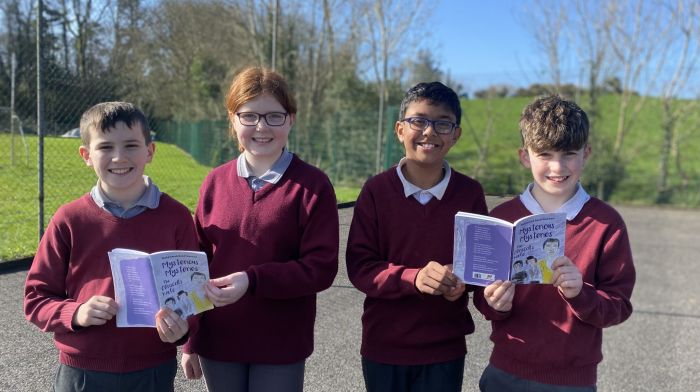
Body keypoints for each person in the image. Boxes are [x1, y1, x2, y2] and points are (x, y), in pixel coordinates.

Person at [180, 67, 339, 392]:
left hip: (280, 344)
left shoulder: (312, 186)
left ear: (291, 119)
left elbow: (320, 269)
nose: (262, 127)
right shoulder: (214, 182)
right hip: (218, 340)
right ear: (232, 120)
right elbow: (194, 265)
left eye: (274, 117)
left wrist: (252, 280)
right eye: (249, 116)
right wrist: (190, 339)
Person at [345, 81, 509, 392]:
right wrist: (414, 278)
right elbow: (360, 267)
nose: (429, 132)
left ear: (455, 134)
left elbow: (480, 267)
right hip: (384, 346)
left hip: (444, 348)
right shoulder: (376, 191)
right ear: (399, 130)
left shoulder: (470, 193)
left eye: (442, 123)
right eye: (418, 120)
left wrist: (461, 284)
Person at [24, 101, 198, 391]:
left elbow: (193, 296)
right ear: (86, 155)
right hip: (81, 370)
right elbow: (35, 297)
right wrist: (75, 313)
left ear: (150, 152)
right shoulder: (70, 218)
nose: (119, 157)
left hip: (152, 368)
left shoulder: (177, 217)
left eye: (131, 145)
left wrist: (184, 331)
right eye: (105, 147)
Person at [474, 95, 636, 391]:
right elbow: (482, 300)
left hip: (572, 381)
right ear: (525, 156)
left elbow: (619, 306)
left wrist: (581, 294)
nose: (557, 166)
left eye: (569, 153)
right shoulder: (501, 218)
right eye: (544, 154)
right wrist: (494, 303)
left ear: (586, 153)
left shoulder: (606, 223)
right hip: (505, 373)